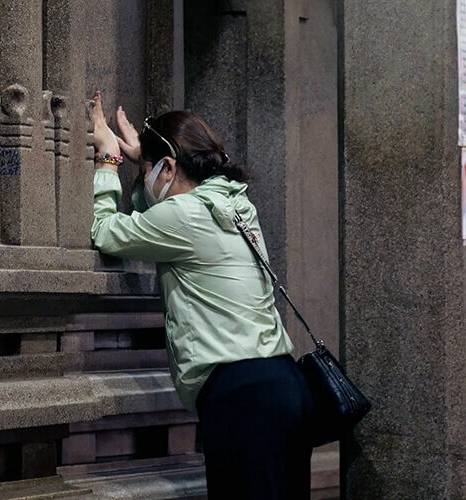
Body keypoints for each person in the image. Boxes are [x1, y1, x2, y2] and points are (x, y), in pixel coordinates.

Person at [89, 91, 314, 499]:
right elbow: (156, 215)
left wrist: (108, 160)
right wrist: (146, 164)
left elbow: (105, 231)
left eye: (149, 169)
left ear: (169, 166)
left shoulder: (183, 216)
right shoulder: (236, 205)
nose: (146, 178)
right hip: (285, 384)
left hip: (241, 395)